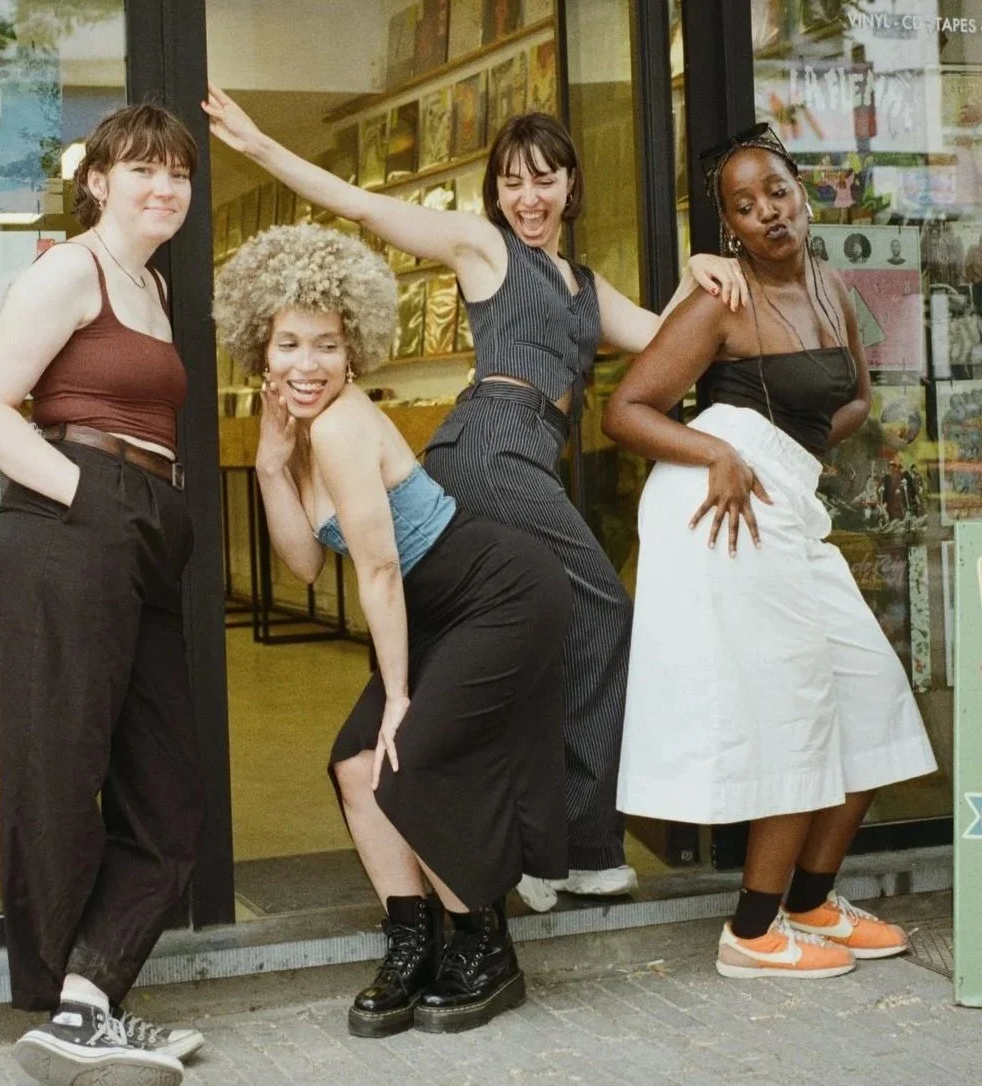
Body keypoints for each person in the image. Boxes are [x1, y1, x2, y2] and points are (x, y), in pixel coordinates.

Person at [203, 86, 747, 912]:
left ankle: (527, 847)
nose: (528, 198)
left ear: (571, 187)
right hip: (490, 447)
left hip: (522, 457)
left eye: (545, 180)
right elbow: (359, 203)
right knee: (600, 608)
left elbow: (670, 338)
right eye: (512, 183)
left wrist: (707, 271)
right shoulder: (483, 249)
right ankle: (573, 847)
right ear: (494, 193)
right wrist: (258, 147)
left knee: (523, 640)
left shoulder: (586, 289)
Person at [213, 223, 572, 1034]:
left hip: (497, 593)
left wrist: (401, 696)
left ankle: (484, 947)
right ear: (260, 353)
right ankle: (412, 942)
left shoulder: (342, 423)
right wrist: (271, 465)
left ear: (354, 351)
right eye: (289, 346)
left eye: (327, 346)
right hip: (435, 609)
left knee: (408, 763)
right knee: (352, 764)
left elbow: (376, 571)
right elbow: (305, 563)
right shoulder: (300, 436)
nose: (307, 365)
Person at [602, 123, 937, 980]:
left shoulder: (830, 286)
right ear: (731, 229)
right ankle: (751, 933)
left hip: (787, 502)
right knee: (794, 713)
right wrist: (721, 450)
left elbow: (851, 399)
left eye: (777, 193)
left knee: (872, 697)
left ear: (803, 193)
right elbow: (627, 409)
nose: (768, 214)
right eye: (745, 208)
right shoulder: (723, 300)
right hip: (728, 515)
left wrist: (799, 452)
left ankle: (811, 900)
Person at [0, 103, 206, 1086]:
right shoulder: (72, 270)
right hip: (66, 531)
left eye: (178, 172)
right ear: (97, 180)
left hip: (135, 537)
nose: (164, 186)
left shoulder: (151, 284)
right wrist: (93, 497)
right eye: (141, 168)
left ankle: (86, 1001)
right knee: (60, 782)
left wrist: (130, 514)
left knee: (169, 788)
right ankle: (69, 1001)